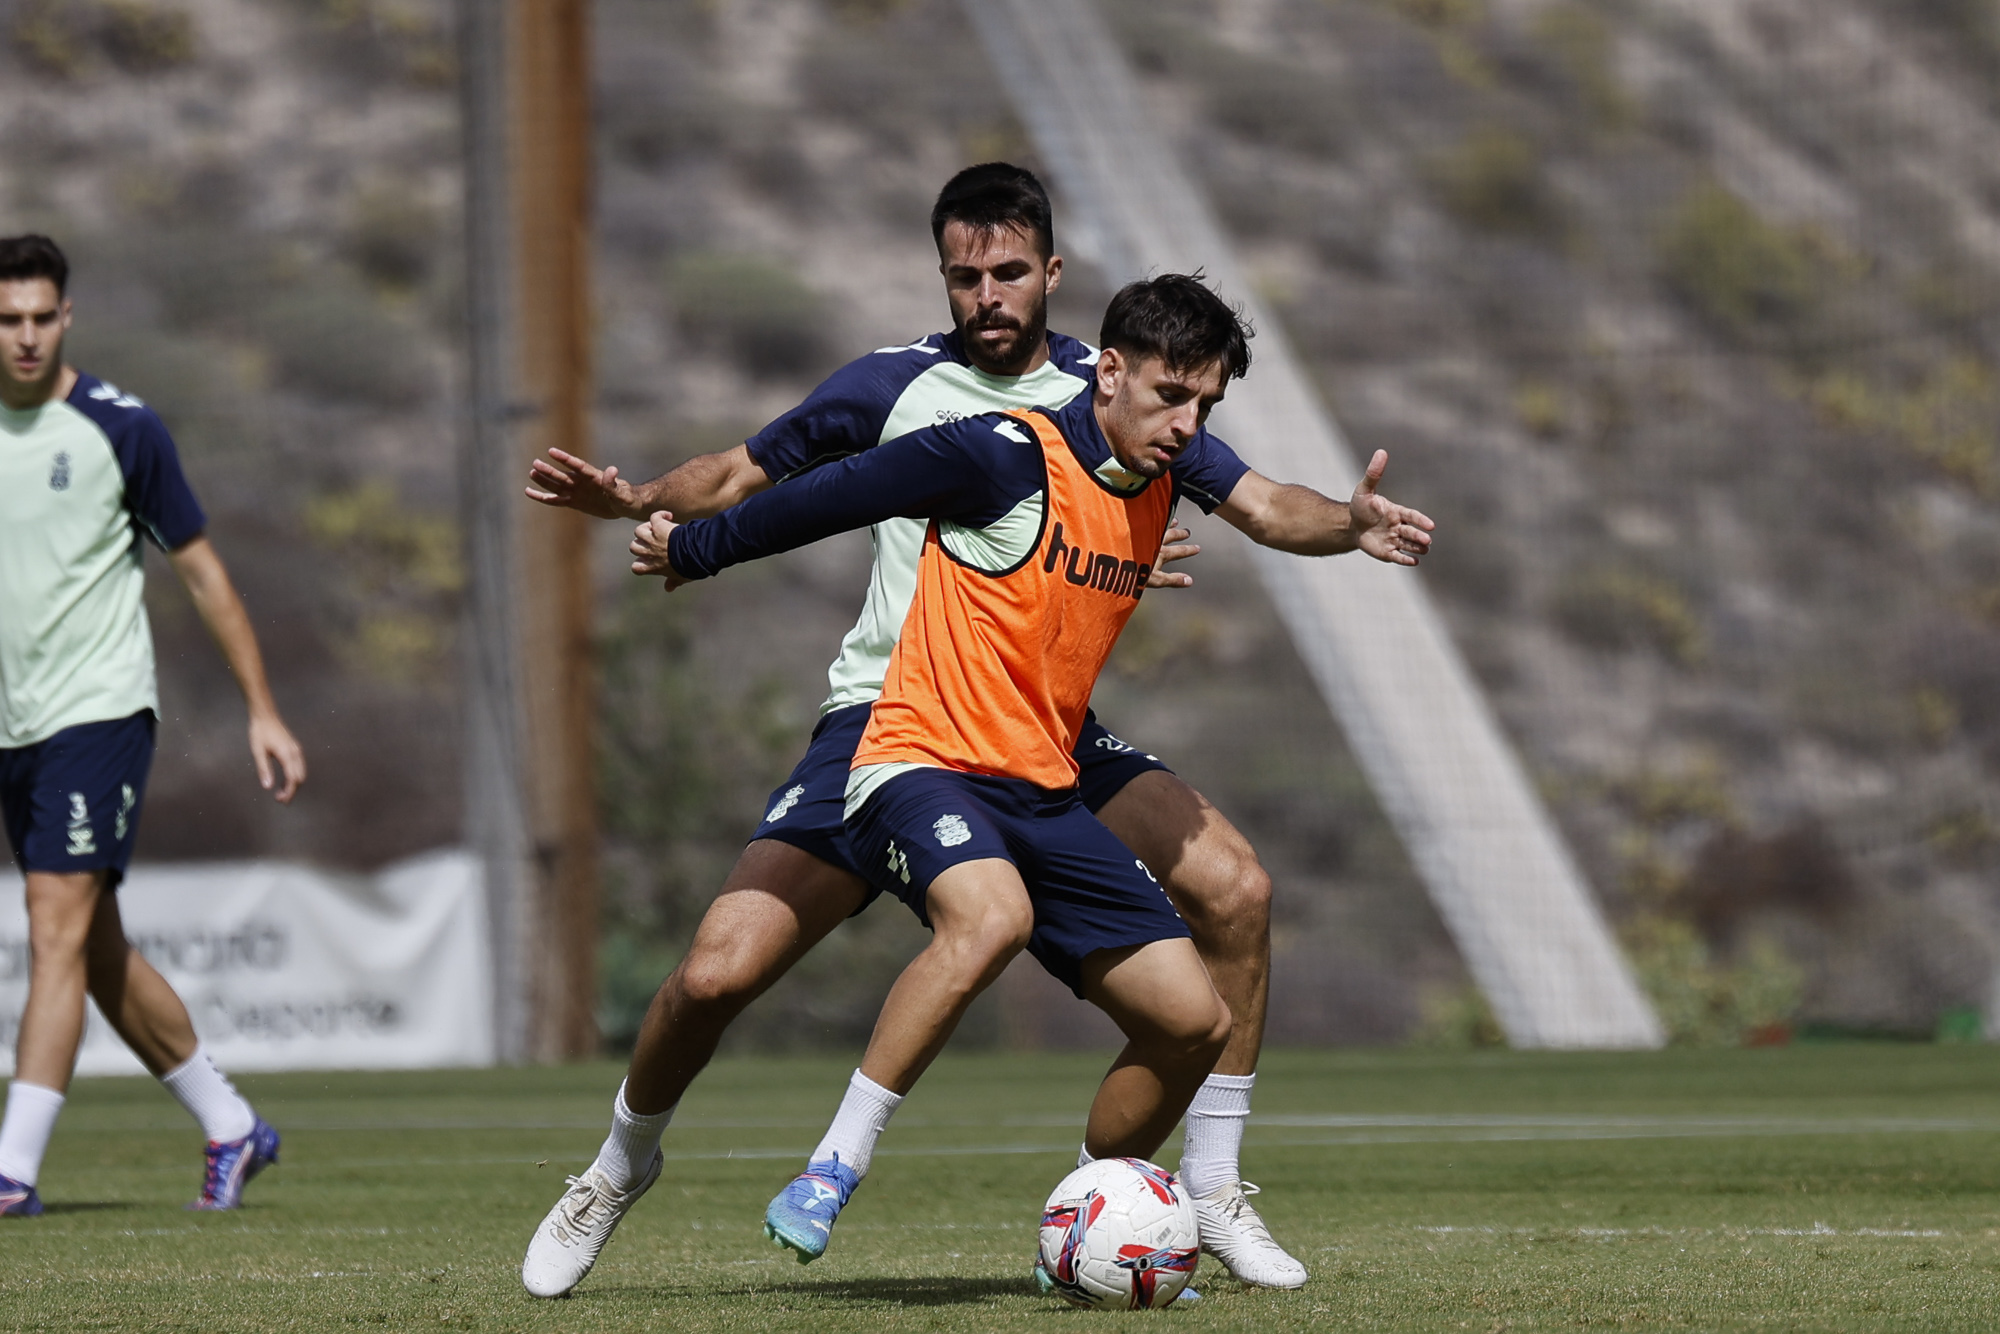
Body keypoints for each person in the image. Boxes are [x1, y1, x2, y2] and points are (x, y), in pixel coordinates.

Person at [519, 165, 1429, 1296]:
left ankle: (1195, 1192)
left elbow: (1267, 505)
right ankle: (617, 1167)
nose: (987, 294)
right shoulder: (902, 389)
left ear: (1052, 272)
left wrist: (1346, 522)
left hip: (1041, 729)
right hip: (891, 715)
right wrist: (646, 503)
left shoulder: (1144, 400)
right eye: (965, 276)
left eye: (1008, 271)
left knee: (1236, 892)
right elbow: (748, 476)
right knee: (713, 976)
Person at [0, 234, 306, 1216]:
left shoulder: (121, 428)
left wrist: (262, 709)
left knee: (55, 926)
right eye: (8, 319)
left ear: (66, 317)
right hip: (14, 725)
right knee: (93, 950)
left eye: (41, 317)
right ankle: (231, 1124)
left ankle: (11, 1170)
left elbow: (204, 573)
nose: (26, 336)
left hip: (99, 711)